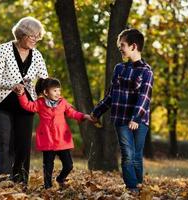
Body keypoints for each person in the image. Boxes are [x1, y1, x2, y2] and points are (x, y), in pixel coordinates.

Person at [0, 16, 48, 184]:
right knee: (4, 141)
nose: (35, 40)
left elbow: (43, 80)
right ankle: (4, 179)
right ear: (22, 34)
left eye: (37, 37)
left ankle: (20, 181)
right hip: (0, 102)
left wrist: (50, 94)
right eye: (32, 36)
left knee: (23, 144)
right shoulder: (3, 49)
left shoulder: (37, 55)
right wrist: (13, 85)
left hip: (25, 105)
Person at [91, 29, 154, 192]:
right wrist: (97, 111)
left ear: (134, 46)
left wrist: (136, 118)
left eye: (123, 45)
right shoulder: (119, 68)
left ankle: (139, 184)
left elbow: (144, 97)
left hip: (139, 120)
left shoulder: (146, 71)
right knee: (127, 154)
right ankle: (132, 187)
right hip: (121, 119)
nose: (120, 48)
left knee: (137, 155)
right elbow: (111, 95)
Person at [17, 78, 93, 189]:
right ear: (46, 92)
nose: (58, 93)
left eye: (59, 90)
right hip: (47, 140)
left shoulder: (63, 103)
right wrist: (21, 94)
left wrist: (84, 116)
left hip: (62, 140)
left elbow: (72, 113)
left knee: (68, 165)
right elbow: (28, 106)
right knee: (48, 166)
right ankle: (47, 186)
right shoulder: (40, 103)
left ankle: (60, 179)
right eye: (55, 90)